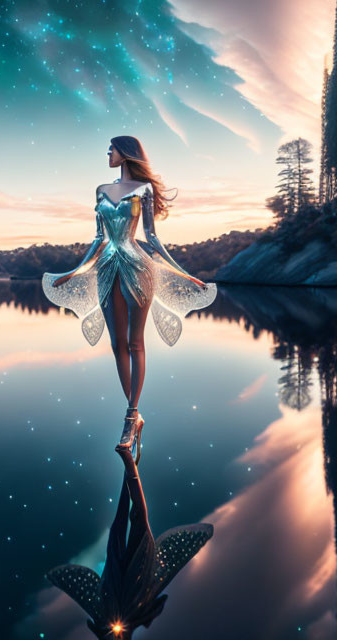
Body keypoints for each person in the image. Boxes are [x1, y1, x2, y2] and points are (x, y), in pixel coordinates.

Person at [42, 136, 217, 454]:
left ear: (126, 153)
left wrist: (183, 273)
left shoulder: (144, 190)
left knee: (136, 342)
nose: (108, 153)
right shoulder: (100, 191)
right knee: (116, 344)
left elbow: (152, 238)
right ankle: (133, 415)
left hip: (138, 266)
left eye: (112, 148)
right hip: (107, 267)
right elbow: (98, 238)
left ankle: (130, 416)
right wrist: (74, 271)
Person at [45, 447, 213, 639]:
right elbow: (158, 604)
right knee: (139, 519)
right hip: (138, 569)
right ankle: (130, 462)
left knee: (120, 522)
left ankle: (130, 462)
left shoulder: (104, 623)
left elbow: (90, 606)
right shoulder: (137, 617)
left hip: (116, 572)